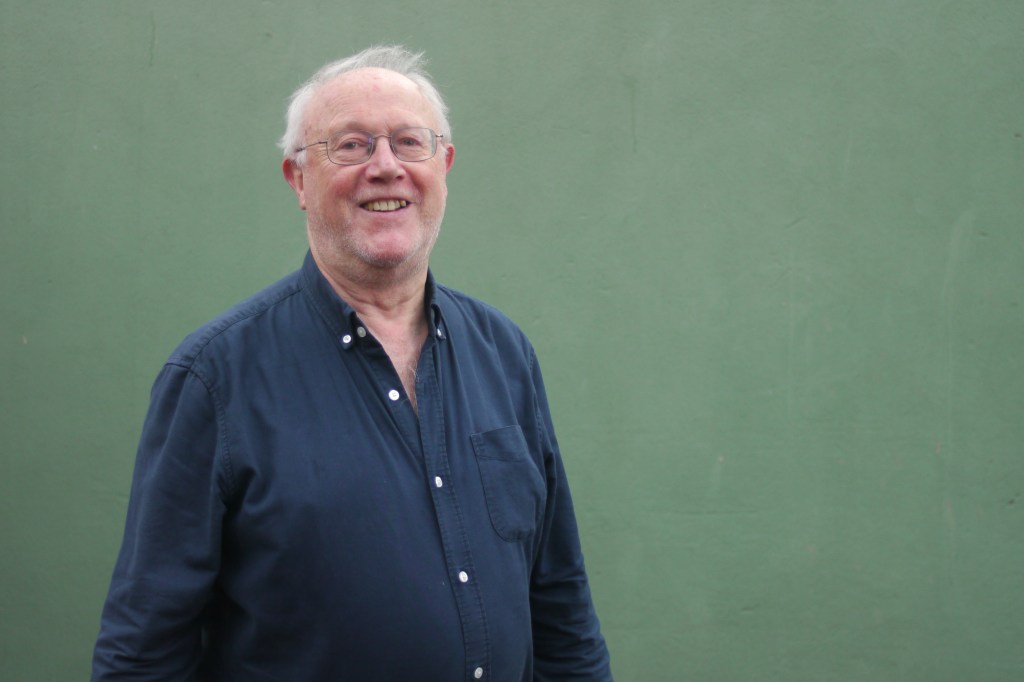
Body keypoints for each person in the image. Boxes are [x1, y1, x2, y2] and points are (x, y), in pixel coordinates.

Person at [92, 45, 612, 681]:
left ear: (444, 165)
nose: (386, 167)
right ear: (298, 179)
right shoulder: (215, 378)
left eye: (409, 142)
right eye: (351, 145)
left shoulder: (504, 354)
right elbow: (144, 650)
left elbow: (560, 603)